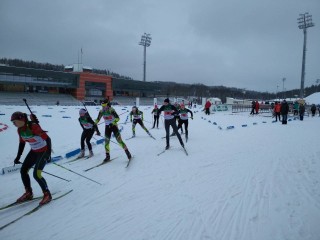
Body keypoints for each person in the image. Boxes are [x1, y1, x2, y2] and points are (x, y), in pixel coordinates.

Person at [11, 111, 52, 205]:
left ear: (22, 119)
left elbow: (48, 139)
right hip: (34, 151)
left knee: (36, 174)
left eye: (15, 121)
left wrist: (48, 153)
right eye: (12, 122)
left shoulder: (33, 126)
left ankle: (47, 194)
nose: (13, 124)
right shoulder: (20, 130)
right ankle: (29, 193)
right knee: (23, 170)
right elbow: (22, 143)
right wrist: (18, 157)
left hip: (44, 151)